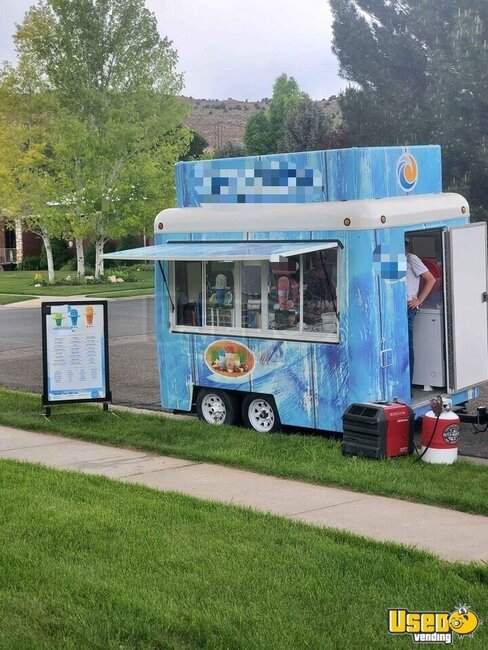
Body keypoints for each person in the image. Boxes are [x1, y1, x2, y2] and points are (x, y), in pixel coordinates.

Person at [405, 239, 436, 383]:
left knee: (406, 346)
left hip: (408, 307)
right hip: (397, 307)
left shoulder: (411, 258)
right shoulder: (392, 260)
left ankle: (408, 385)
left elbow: (431, 279)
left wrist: (419, 300)